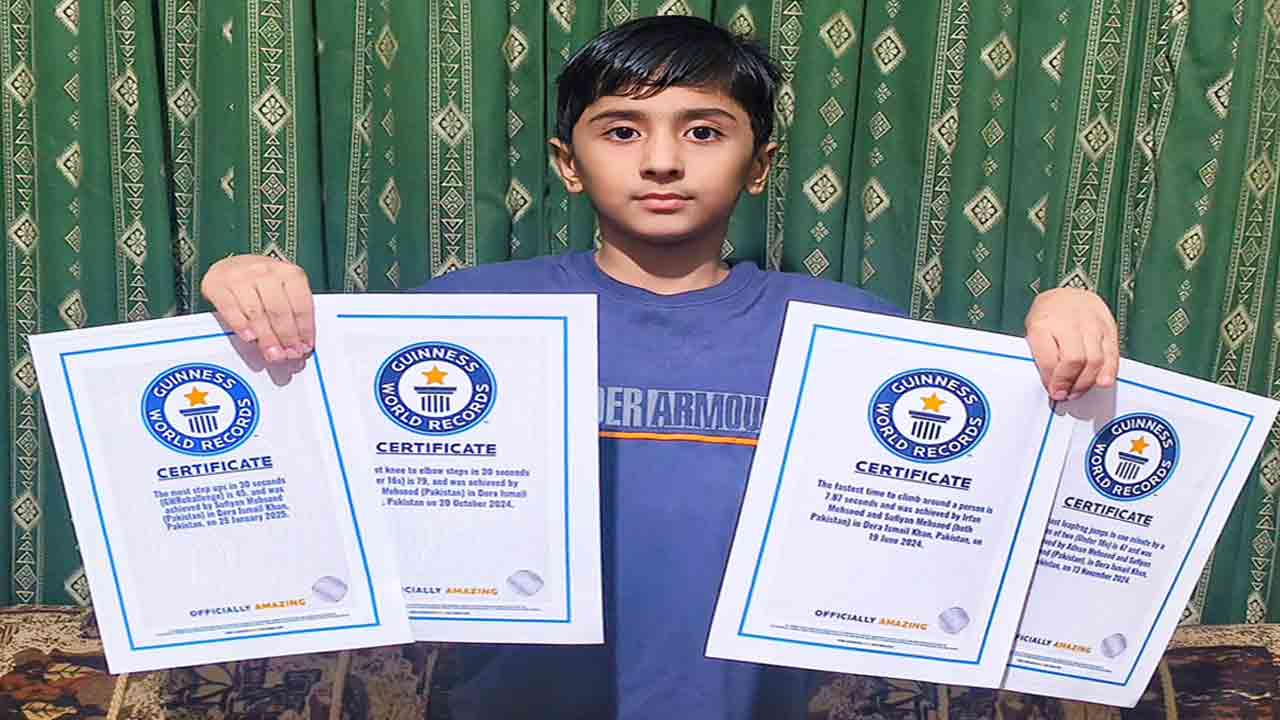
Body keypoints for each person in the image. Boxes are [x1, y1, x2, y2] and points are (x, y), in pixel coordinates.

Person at [201, 15, 1118, 719]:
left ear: (760, 165)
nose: (665, 161)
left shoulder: (853, 335)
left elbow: (987, 494)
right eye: (623, 131)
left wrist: (1059, 334)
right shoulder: (464, 317)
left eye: (705, 132)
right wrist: (243, 294)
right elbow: (296, 443)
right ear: (568, 163)